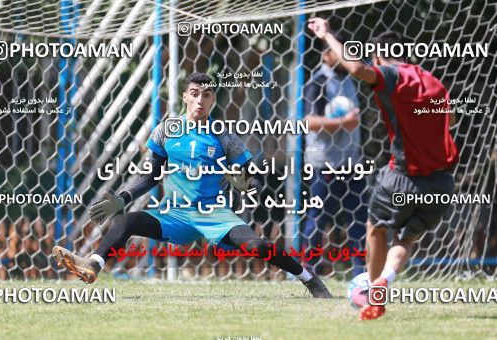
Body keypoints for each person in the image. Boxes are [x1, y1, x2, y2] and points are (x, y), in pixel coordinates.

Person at [53, 72, 332, 298]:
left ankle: (309, 280)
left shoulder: (222, 135)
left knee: (257, 245)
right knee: (125, 221)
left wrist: (244, 183)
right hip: (173, 214)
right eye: (195, 94)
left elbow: (253, 180)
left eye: (207, 95)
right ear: (185, 96)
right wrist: (123, 197)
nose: (200, 100)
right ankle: (92, 264)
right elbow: (151, 175)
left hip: (213, 214)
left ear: (213, 100)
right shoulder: (166, 131)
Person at [308, 19, 459, 319]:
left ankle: (370, 298)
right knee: (406, 237)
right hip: (441, 184)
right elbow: (449, 121)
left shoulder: (391, 74)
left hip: (402, 177)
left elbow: (357, 69)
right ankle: (384, 281)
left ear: (378, 56)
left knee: (374, 227)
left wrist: (326, 35)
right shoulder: (435, 83)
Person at [302, 36, 367, 278]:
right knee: (318, 220)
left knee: (359, 220)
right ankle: (309, 275)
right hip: (324, 164)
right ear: (327, 54)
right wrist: (344, 122)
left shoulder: (348, 81)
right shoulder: (317, 82)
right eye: (341, 52)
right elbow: (309, 121)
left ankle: (361, 274)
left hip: (351, 163)